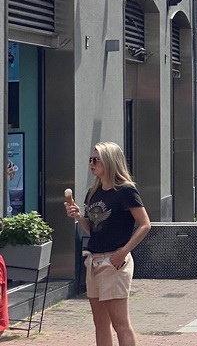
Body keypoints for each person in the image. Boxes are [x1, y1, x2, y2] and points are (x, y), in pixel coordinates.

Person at [66, 142, 151, 346]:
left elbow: (145, 225)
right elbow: (95, 229)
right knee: (100, 323)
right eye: (90, 159)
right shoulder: (93, 191)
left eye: (97, 160)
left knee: (120, 323)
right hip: (93, 260)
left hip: (114, 261)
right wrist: (78, 217)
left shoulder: (125, 191)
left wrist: (123, 252)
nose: (92, 164)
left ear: (110, 162)